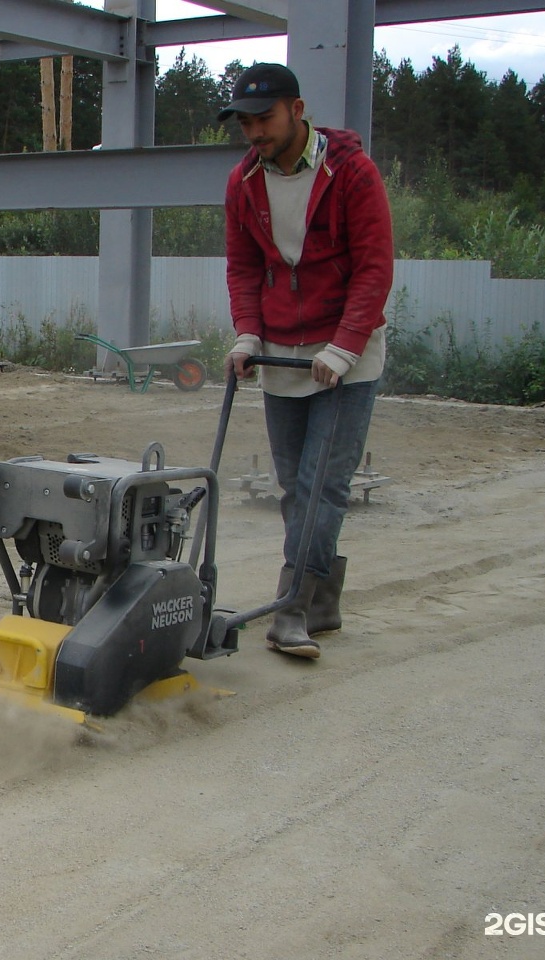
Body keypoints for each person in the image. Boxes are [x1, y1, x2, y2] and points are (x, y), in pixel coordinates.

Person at [219, 63, 394, 660]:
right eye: (244, 123)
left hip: (347, 355)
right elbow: (243, 267)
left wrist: (344, 346)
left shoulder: (352, 174)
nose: (253, 134)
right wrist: (247, 336)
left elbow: (373, 267)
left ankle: (290, 606)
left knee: (324, 485)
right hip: (281, 355)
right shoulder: (244, 182)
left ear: (297, 110)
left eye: (263, 119)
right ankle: (323, 599)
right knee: (295, 486)